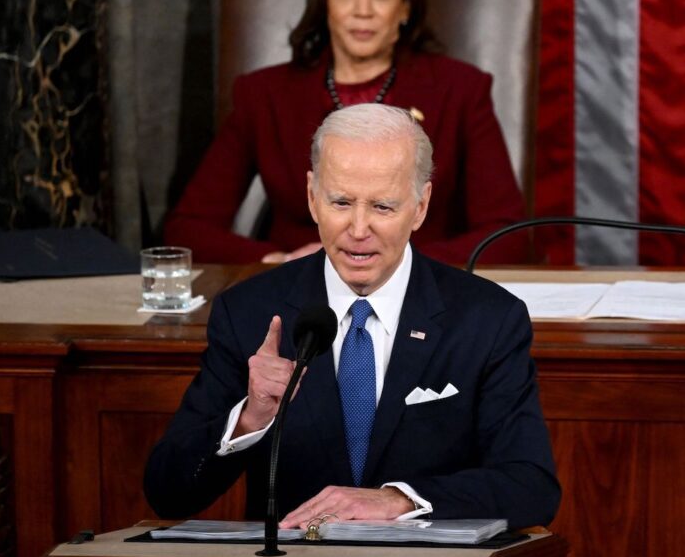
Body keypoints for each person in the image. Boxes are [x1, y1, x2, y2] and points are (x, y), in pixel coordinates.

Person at [145, 104, 560, 528]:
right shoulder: (250, 312)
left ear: (420, 206)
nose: (358, 229)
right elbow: (168, 492)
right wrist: (250, 418)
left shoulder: (487, 319)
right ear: (312, 197)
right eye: (341, 202)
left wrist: (400, 501)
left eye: (382, 207)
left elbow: (531, 486)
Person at [163, 0, 526, 265]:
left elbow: (509, 236)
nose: (362, 10)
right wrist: (277, 262)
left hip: (421, 298)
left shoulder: (460, 90)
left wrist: (403, 267)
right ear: (326, 4)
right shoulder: (263, 95)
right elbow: (188, 228)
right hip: (301, 299)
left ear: (405, 8)